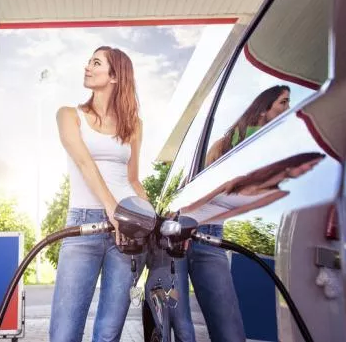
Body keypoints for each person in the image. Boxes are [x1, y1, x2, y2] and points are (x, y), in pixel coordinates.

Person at [170, 152, 325, 342]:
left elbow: (241, 211)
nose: (307, 171)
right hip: (178, 230)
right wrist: (182, 218)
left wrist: (194, 227)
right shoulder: (240, 180)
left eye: (312, 169)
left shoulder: (278, 193)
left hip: (210, 236)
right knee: (180, 322)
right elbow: (202, 200)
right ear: (293, 162)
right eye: (308, 165)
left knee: (229, 329)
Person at [50, 46, 149, 342]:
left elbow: (133, 180)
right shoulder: (69, 115)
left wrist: (150, 219)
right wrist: (112, 209)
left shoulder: (133, 125)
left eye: (96, 63)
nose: (87, 67)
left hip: (128, 229)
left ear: (115, 76)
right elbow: (84, 163)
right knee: (64, 333)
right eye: (89, 62)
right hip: (84, 227)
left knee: (108, 333)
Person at [205, 85, 291, 166]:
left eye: (288, 102)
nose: (288, 108)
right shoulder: (221, 146)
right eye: (283, 102)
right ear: (263, 110)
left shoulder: (281, 140)